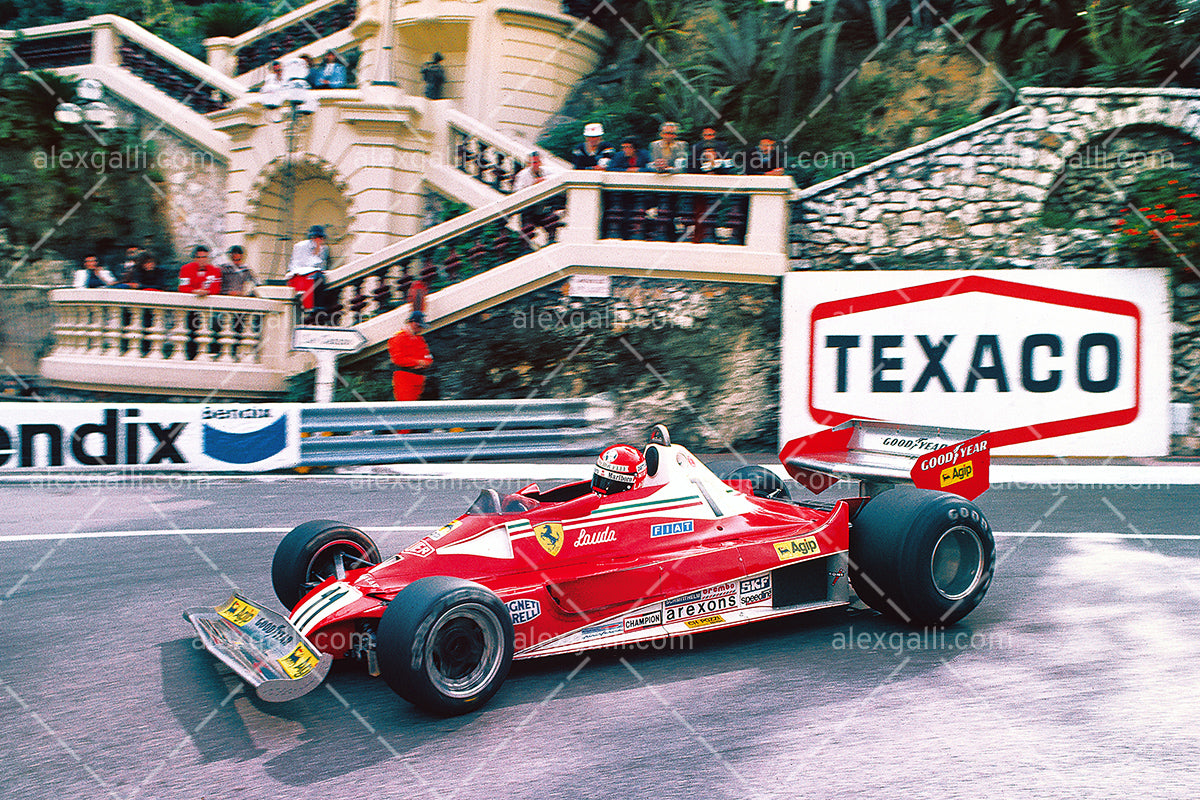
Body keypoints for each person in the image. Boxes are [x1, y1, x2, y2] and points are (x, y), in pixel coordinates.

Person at [287, 225, 331, 321]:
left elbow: (322, 266)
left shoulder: (324, 249)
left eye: (320, 238)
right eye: (316, 237)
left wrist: (318, 251)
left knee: (320, 278)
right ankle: (313, 308)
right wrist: (316, 253)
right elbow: (301, 264)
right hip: (299, 273)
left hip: (314, 273)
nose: (318, 240)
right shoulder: (301, 246)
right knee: (316, 278)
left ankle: (319, 308)